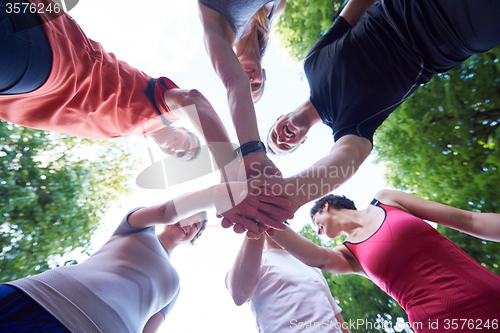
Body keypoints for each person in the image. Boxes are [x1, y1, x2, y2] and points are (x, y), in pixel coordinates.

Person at [241, 0, 500, 233]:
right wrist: (292, 193)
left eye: (274, 137)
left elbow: (354, 9)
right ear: (302, 142)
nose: (281, 139)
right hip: (454, 32)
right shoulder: (350, 125)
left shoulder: (312, 63)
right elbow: (346, 159)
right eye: (285, 147)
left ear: (279, 118)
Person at [0, 175, 294, 333]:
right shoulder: (134, 228)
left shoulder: (175, 285)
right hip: (41, 296)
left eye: (199, 227)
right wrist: (224, 194)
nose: (192, 226)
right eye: (193, 217)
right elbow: (166, 211)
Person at [0, 0, 237, 162]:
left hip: (18, 95)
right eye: (185, 145)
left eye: (179, 154)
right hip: (53, 65)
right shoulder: (162, 111)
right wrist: (233, 170)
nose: (177, 148)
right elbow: (192, 100)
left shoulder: (127, 131)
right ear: (185, 129)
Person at [269, 190, 500, 332]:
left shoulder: (386, 200)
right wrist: (264, 217)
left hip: (487, 292)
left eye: (314, 222)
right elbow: (316, 258)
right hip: (436, 322)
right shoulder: (347, 253)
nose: (317, 232)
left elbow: (470, 220)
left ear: (325, 206)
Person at [198, 0, 287, 177]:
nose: (249, 80)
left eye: (247, 86)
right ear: (263, 75)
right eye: (255, 85)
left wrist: (253, 154)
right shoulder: (277, 9)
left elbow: (235, 82)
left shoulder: (219, 32)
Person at [226, 236, 351, 333]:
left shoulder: (312, 266)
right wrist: (255, 228)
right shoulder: (254, 262)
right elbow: (239, 295)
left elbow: (336, 317)